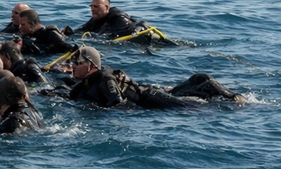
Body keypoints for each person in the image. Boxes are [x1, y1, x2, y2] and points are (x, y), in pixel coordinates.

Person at [59, 46, 244, 109]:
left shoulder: (106, 79)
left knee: (197, 102)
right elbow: (71, 95)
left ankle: (234, 100)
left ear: (91, 65)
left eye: (78, 63)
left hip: (152, 99)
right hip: (152, 93)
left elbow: (119, 104)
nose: (73, 66)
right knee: (197, 81)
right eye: (73, 63)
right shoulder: (84, 83)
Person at [65, 0, 147, 39]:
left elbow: (124, 35)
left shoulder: (119, 19)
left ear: (107, 8)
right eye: (91, 6)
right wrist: (68, 33)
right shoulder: (96, 18)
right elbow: (82, 29)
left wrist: (96, 36)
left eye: (96, 6)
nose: (92, 9)